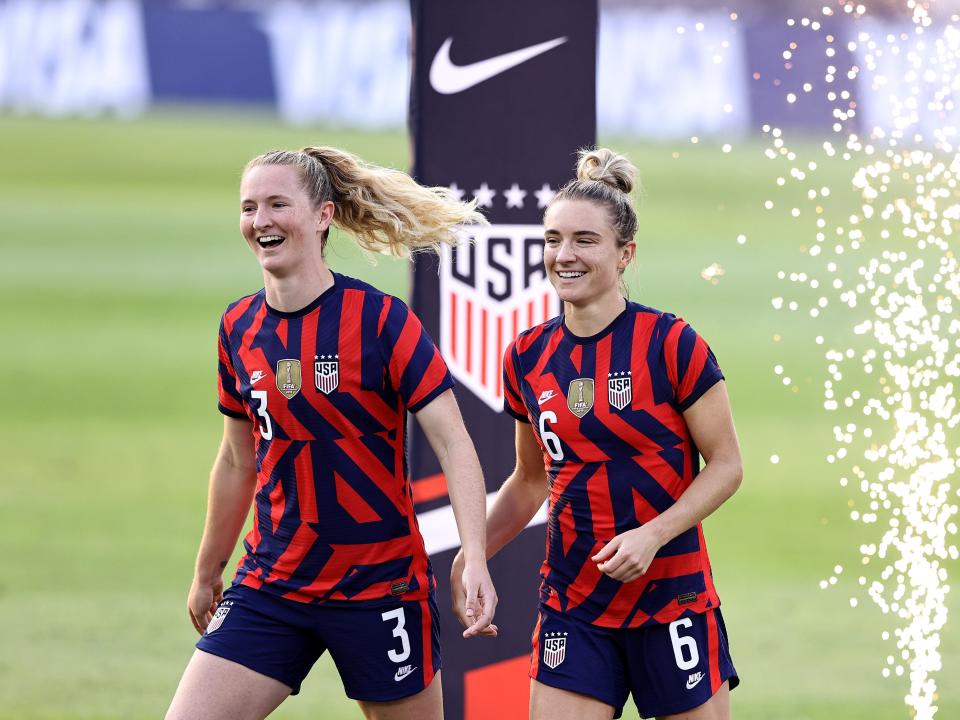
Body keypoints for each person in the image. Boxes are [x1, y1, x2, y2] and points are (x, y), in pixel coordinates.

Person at [166, 146, 498, 720]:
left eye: (277, 204)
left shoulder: (381, 319)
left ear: (322, 216)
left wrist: (474, 557)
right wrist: (208, 568)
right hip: (273, 583)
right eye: (249, 208)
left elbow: (454, 443)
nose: (260, 221)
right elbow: (236, 461)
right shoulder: (238, 326)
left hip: (379, 587)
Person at [451, 148, 742, 720]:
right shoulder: (527, 356)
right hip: (574, 602)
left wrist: (653, 535)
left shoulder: (672, 343)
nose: (565, 255)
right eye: (553, 239)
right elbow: (530, 481)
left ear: (624, 253)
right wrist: (474, 555)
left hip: (672, 599)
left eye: (585, 240)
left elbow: (727, 465)